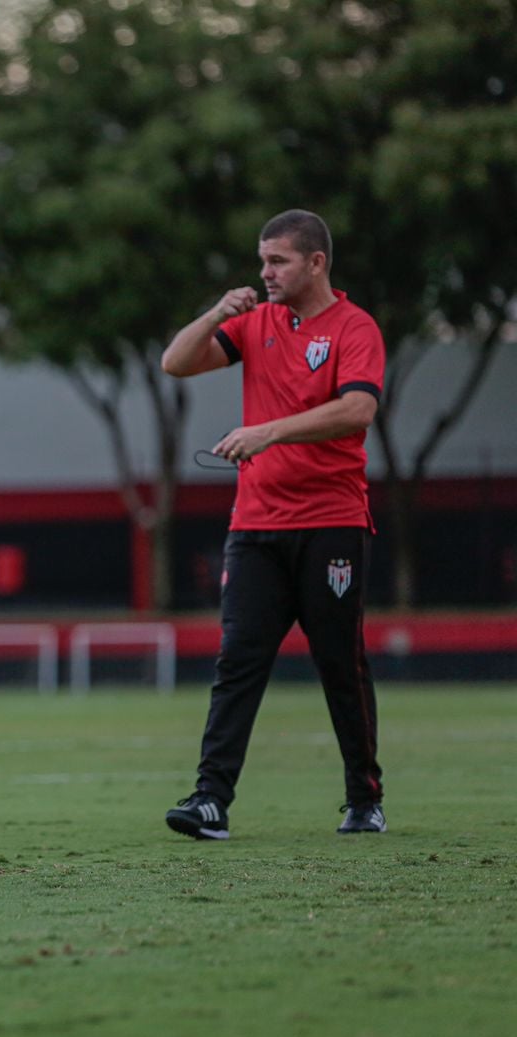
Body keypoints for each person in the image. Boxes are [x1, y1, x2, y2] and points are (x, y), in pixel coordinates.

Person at [160, 208, 386, 840]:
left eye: (277, 260)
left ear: (316, 262)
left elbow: (357, 408)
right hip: (256, 525)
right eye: (262, 261)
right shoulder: (256, 322)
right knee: (238, 660)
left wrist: (269, 431)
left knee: (340, 663)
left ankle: (364, 797)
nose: (265, 272)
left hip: (332, 523)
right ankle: (210, 800)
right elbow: (175, 363)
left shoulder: (354, 327)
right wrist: (214, 314)